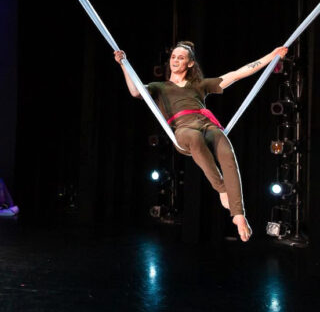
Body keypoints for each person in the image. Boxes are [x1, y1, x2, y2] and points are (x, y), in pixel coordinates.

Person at [114, 41, 288, 242]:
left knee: (226, 150)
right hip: (183, 130)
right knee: (194, 137)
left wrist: (272, 55)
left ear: (189, 63)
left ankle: (239, 215)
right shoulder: (159, 87)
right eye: (173, 57)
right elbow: (136, 91)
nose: (175, 60)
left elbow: (238, 73)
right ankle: (222, 189)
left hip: (206, 124)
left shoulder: (199, 85)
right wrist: (123, 65)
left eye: (181, 57)